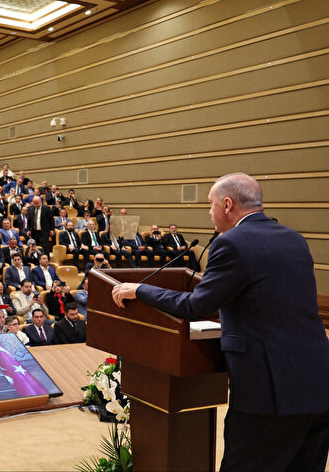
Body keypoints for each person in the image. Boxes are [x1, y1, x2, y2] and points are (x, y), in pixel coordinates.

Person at [111, 172, 329, 471]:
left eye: (210, 205)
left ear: (228, 204)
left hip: (268, 394)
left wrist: (140, 289)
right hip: (318, 385)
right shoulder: (294, 239)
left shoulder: (231, 244)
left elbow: (195, 306)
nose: (209, 212)